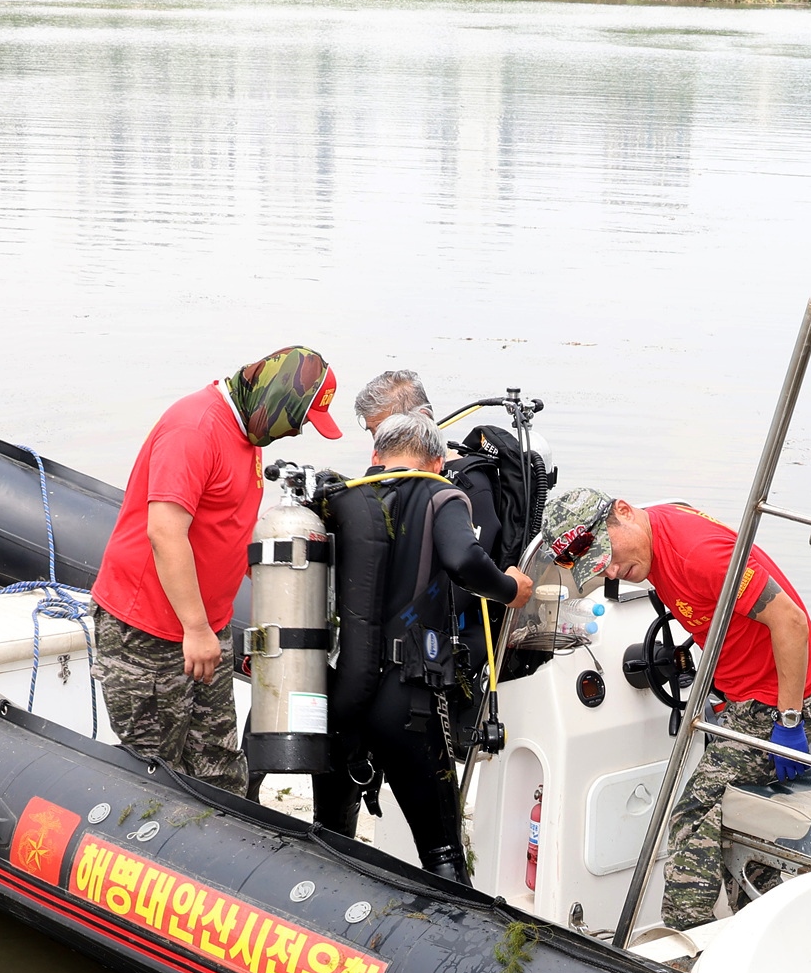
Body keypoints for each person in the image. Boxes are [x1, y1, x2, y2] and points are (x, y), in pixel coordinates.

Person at [91, 346, 340, 794]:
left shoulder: (249, 435)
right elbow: (165, 532)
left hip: (208, 628)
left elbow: (225, 521)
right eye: (299, 418)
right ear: (276, 400)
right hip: (149, 631)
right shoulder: (195, 429)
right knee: (155, 770)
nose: (299, 431)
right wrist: (196, 627)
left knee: (219, 762)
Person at [596, 496, 811, 931]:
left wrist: (790, 720)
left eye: (609, 555)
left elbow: (791, 622)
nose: (612, 571)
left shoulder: (698, 556)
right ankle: (762, 921)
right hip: (744, 699)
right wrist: (723, 699)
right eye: (601, 568)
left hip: (781, 701)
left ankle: (684, 940)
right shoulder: (653, 539)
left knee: (693, 811)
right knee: (719, 804)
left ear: (625, 511)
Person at [362, 411, 532, 885]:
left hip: (340, 690)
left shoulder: (346, 497)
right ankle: (461, 943)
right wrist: (508, 588)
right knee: (441, 848)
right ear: (438, 461)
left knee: (330, 827)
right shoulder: (441, 494)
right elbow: (464, 557)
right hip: (403, 698)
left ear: (374, 455)